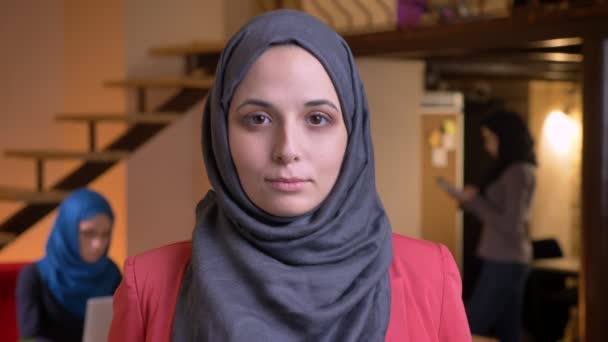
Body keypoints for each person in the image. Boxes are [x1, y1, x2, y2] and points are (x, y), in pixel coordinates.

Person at [108, 9, 470, 341]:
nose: (287, 149)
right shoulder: (151, 286)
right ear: (220, 133)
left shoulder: (430, 278)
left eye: (317, 119)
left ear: (352, 132)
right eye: (258, 119)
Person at [447, 110, 537, 342]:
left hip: (506, 259)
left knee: (470, 324)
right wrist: (472, 202)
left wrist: (476, 202)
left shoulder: (518, 172)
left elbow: (511, 224)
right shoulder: (509, 170)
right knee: (508, 329)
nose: (487, 146)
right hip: (503, 257)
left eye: (489, 139)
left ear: (504, 138)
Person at [16, 188, 122, 342]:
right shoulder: (33, 277)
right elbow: (30, 339)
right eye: (88, 233)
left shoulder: (111, 273)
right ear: (68, 230)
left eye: (105, 234)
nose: (98, 244)